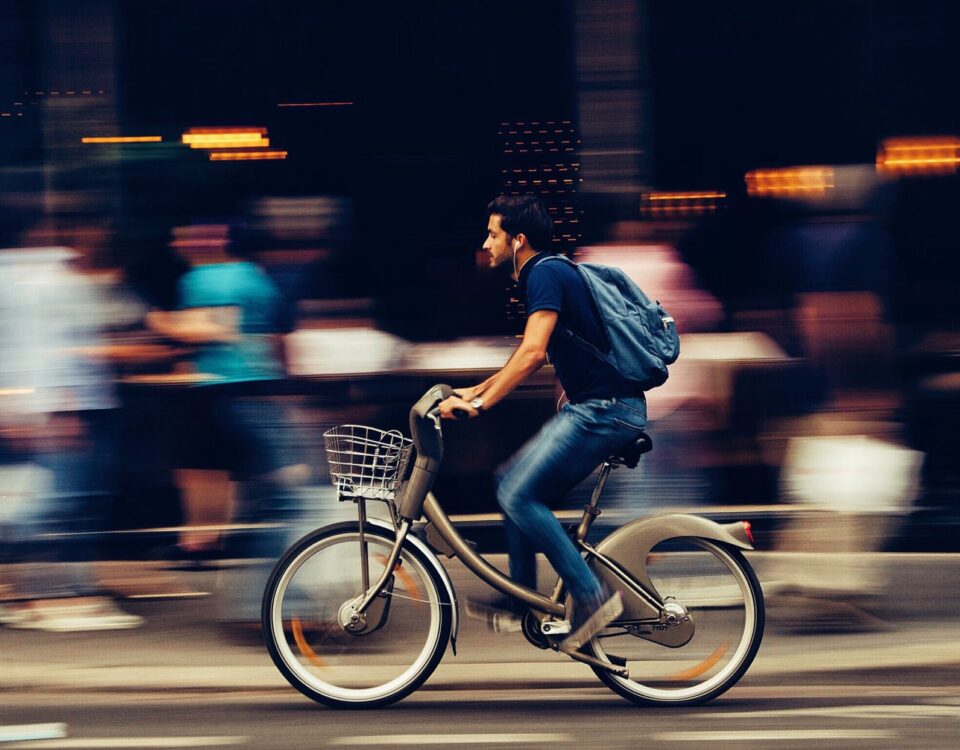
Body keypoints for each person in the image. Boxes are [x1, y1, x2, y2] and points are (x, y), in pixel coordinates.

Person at [438, 195, 649, 651]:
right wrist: (476, 390)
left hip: (605, 410)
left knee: (517, 493)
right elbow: (530, 359)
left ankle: (593, 597)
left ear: (518, 240)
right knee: (509, 480)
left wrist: (481, 406)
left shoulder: (545, 273)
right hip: (596, 408)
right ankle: (522, 599)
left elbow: (532, 352)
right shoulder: (549, 272)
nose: (485, 242)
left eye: (493, 234)